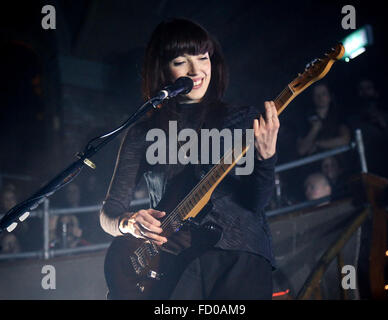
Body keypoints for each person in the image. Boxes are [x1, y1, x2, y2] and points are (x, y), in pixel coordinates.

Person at [100, 18, 280, 299]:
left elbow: (255, 202)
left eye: (203, 58)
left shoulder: (242, 118)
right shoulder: (142, 133)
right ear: (162, 69)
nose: (196, 71)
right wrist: (129, 222)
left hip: (240, 256)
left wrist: (266, 158)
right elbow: (110, 211)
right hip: (173, 264)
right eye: (181, 61)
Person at [296, 83, 351, 157]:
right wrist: (314, 129)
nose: (320, 97)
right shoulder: (305, 120)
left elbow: (345, 139)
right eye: (317, 95)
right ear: (312, 98)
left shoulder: (338, 115)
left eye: (323, 94)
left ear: (330, 96)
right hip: (316, 164)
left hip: (338, 160)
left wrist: (318, 144)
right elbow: (301, 150)